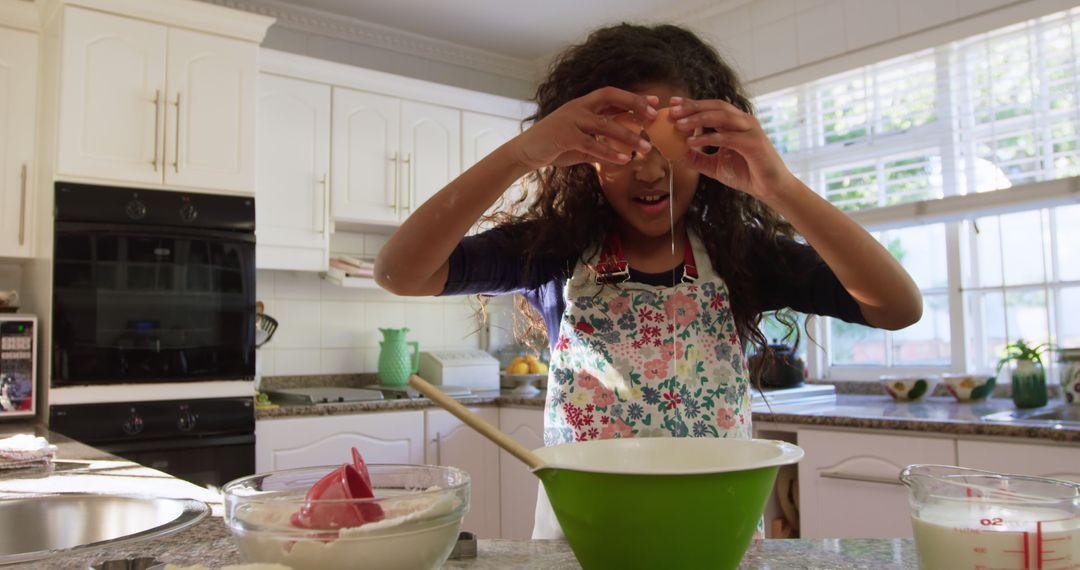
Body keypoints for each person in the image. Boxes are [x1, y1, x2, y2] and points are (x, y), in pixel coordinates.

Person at [374, 23, 922, 538]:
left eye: (670, 149)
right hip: (585, 536)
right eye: (626, 147)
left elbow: (897, 308)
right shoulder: (555, 252)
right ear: (585, 152)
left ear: (709, 146)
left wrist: (777, 187)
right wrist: (522, 154)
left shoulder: (740, 256)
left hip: (714, 531)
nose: (650, 172)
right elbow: (401, 273)